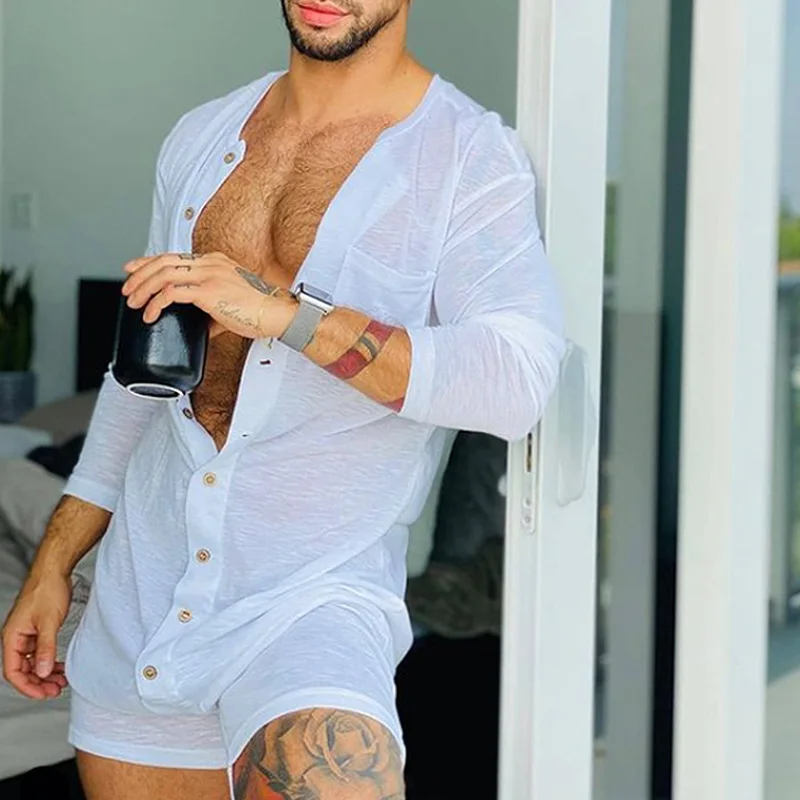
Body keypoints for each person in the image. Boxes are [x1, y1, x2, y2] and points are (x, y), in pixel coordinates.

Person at [1, 0, 565, 797]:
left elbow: (517, 380)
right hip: (140, 606)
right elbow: (140, 378)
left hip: (310, 612)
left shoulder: (469, 157)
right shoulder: (202, 136)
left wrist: (288, 317)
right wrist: (55, 562)